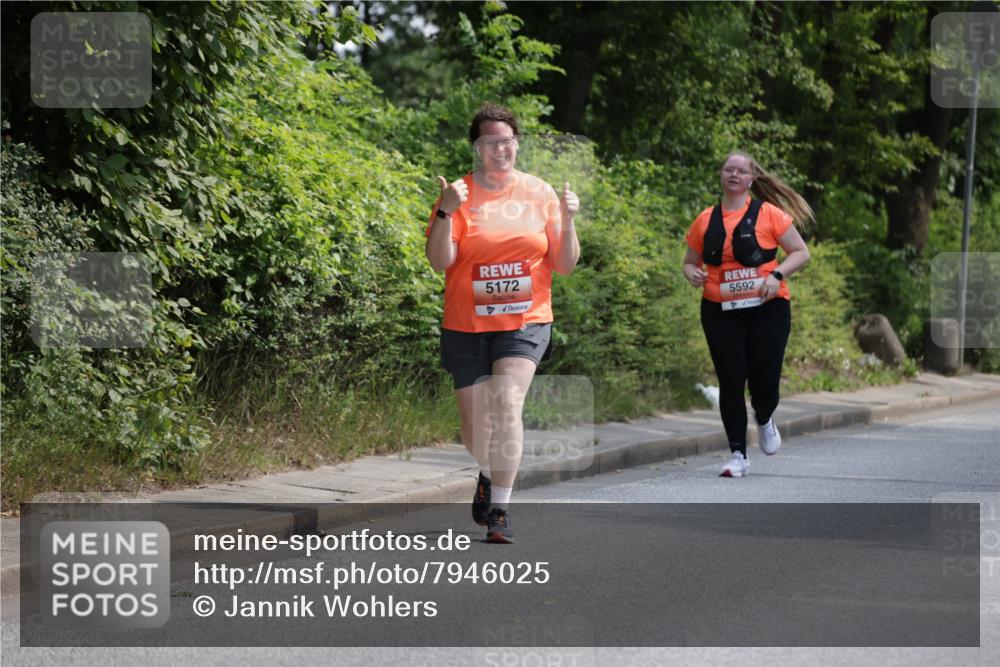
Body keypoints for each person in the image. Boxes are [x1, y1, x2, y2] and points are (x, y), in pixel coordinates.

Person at [426, 103, 580, 541]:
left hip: (525, 320)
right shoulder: (457, 194)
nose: (499, 149)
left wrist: (568, 221)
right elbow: (440, 261)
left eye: (506, 141)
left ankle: (499, 510)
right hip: (466, 321)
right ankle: (487, 473)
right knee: (476, 425)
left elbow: (565, 265)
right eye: (489, 142)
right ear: (477, 148)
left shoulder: (540, 193)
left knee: (508, 404)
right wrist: (445, 211)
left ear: (517, 144)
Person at [682, 151, 813, 478]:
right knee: (730, 379)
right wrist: (691, 273)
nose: (734, 175)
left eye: (741, 171)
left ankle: (765, 417)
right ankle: (737, 454)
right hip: (719, 308)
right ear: (721, 174)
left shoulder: (769, 215)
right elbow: (689, 261)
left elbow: (800, 252)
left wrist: (777, 275)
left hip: (768, 307)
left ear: (752, 178)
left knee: (764, 380)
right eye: (729, 169)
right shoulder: (705, 219)